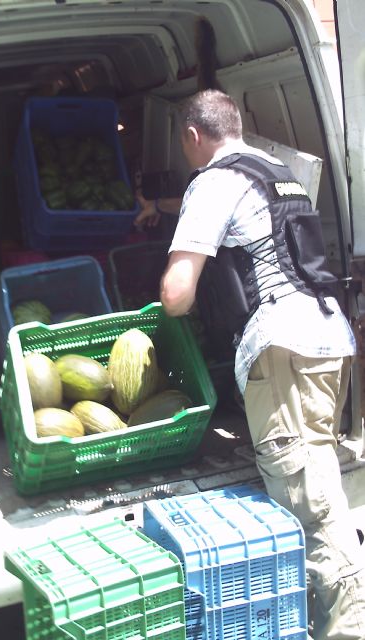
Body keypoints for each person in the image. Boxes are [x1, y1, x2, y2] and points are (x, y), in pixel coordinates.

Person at [137, 88, 365, 640]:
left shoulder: (213, 181)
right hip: (327, 337)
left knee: (309, 504)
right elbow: (244, 222)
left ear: (192, 137)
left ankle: (348, 629)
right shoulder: (275, 170)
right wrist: (164, 210)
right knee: (317, 477)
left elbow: (176, 294)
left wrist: (152, 314)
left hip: (282, 348)